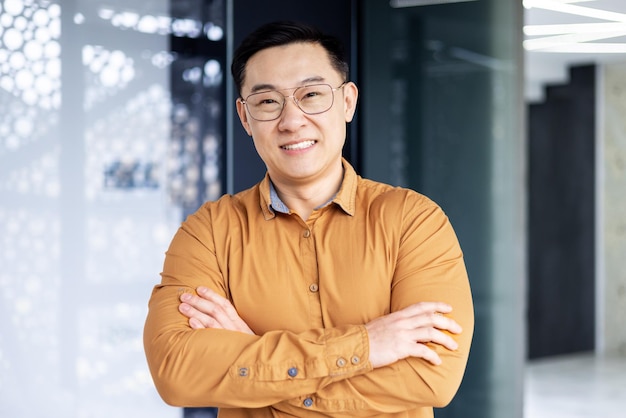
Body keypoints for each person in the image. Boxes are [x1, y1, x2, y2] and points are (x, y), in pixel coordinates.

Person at [143, 20, 474, 418]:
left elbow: (430, 379)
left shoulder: (414, 222)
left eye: (312, 95)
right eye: (267, 102)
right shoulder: (208, 233)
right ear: (245, 118)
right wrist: (367, 346)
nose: (292, 120)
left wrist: (255, 362)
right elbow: (176, 372)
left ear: (347, 102)